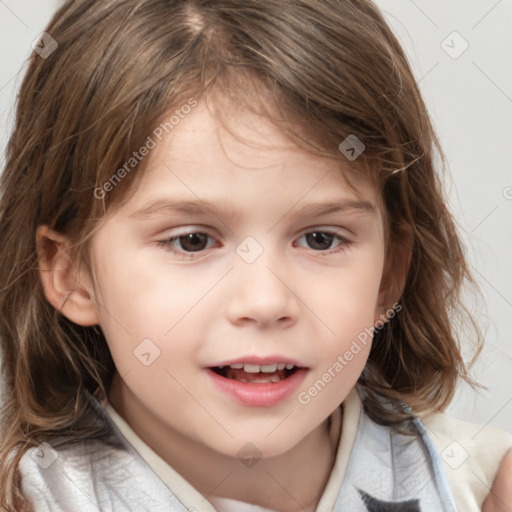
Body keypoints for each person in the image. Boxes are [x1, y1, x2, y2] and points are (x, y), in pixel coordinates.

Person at [0, 0, 510, 510]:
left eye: (320, 239)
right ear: (71, 273)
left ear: (388, 277)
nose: (265, 301)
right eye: (192, 241)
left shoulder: (479, 486)